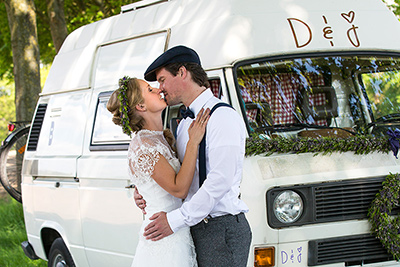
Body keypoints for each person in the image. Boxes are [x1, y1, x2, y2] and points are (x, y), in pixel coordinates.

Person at [134, 45, 252, 266]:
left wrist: (175, 220)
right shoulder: (184, 122)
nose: (160, 89)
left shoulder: (222, 117)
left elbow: (220, 180)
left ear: (181, 72)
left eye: (162, 80)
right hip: (192, 228)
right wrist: (145, 188)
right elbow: (178, 174)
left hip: (221, 230)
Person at [107, 76, 210, 267]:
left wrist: (139, 190)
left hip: (176, 231)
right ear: (141, 107)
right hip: (164, 237)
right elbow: (178, 189)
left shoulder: (158, 138)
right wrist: (193, 143)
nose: (158, 89)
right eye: (150, 90)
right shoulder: (144, 145)